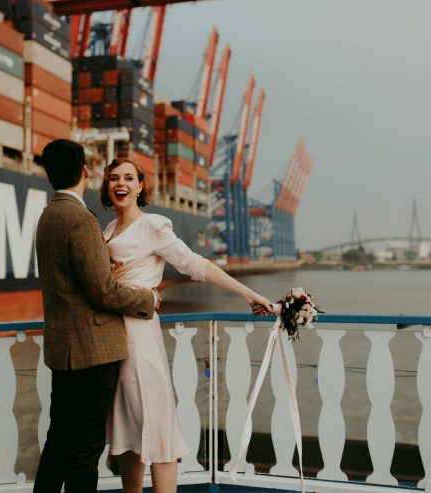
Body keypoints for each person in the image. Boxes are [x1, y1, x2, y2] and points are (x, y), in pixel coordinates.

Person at [100, 157, 276, 493]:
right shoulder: (108, 231)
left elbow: (194, 264)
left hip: (139, 335)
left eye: (128, 178)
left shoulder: (153, 226)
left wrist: (247, 293)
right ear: (107, 186)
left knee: (157, 425)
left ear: (140, 187)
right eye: (113, 178)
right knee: (129, 431)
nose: (120, 183)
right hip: (113, 336)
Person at [33, 140, 160, 493]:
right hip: (92, 353)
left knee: (57, 441)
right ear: (86, 173)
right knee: (85, 450)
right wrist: (147, 298)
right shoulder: (82, 220)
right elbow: (103, 290)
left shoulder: (47, 217)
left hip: (62, 351)